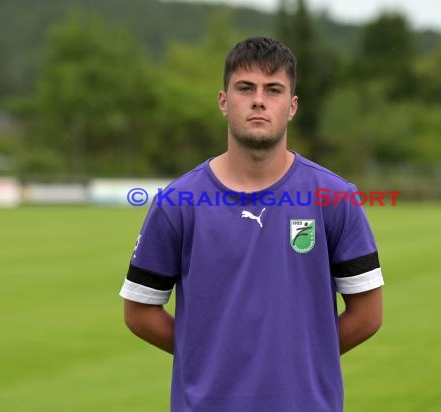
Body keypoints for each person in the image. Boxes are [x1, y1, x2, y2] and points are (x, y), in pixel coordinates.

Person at [119, 36, 384, 411]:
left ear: (291, 107)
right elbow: (140, 311)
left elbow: (369, 314)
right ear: (224, 102)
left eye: (273, 90)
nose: (259, 100)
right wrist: (212, 358)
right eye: (245, 88)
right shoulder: (177, 202)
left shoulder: (335, 197)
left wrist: (294, 364)